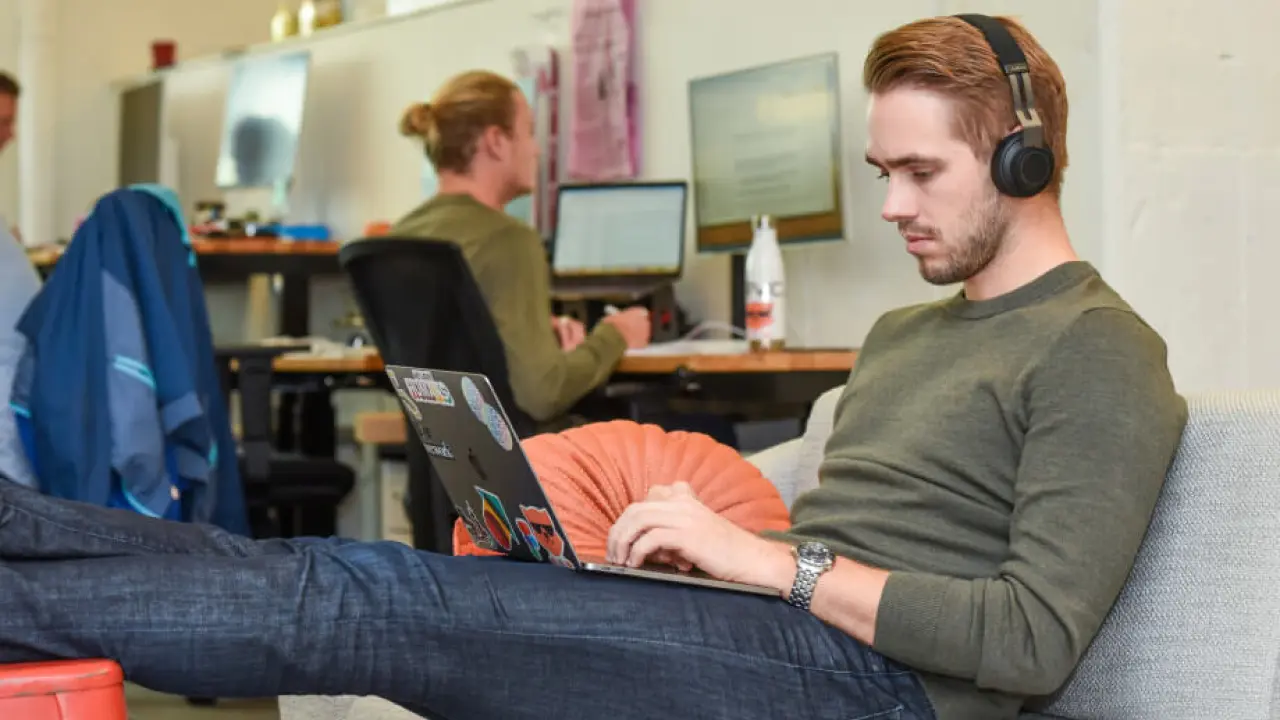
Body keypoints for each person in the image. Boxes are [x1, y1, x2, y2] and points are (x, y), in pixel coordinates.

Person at [0, 15, 1186, 720]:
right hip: (767, 631)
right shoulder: (903, 337)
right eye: (879, 170)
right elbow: (827, 541)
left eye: (918, 174)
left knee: (354, 606)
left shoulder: (1097, 349)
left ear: (1024, 159)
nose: (888, 206)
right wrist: (708, 542)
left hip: (871, 692)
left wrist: (770, 563)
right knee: (323, 561)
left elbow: (1033, 640)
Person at [371, 70, 651, 432]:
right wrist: (615, 335)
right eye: (529, 132)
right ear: (496, 142)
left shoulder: (399, 237)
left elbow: (447, 350)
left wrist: (530, 335)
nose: (536, 149)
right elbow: (541, 394)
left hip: (445, 460)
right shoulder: (509, 240)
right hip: (517, 467)